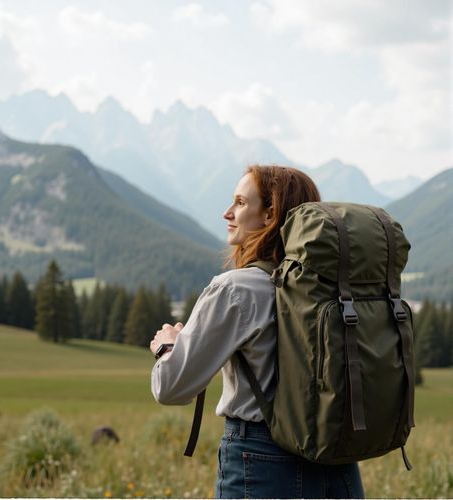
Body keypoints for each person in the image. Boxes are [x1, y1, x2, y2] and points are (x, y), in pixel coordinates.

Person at [150, 165, 365, 499]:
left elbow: (171, 388)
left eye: (239, 202)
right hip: (337, 459)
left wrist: (168, 348)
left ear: (269, 215)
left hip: (261, 457)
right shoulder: (336, 289)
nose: (227, 212)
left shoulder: (236, 288)